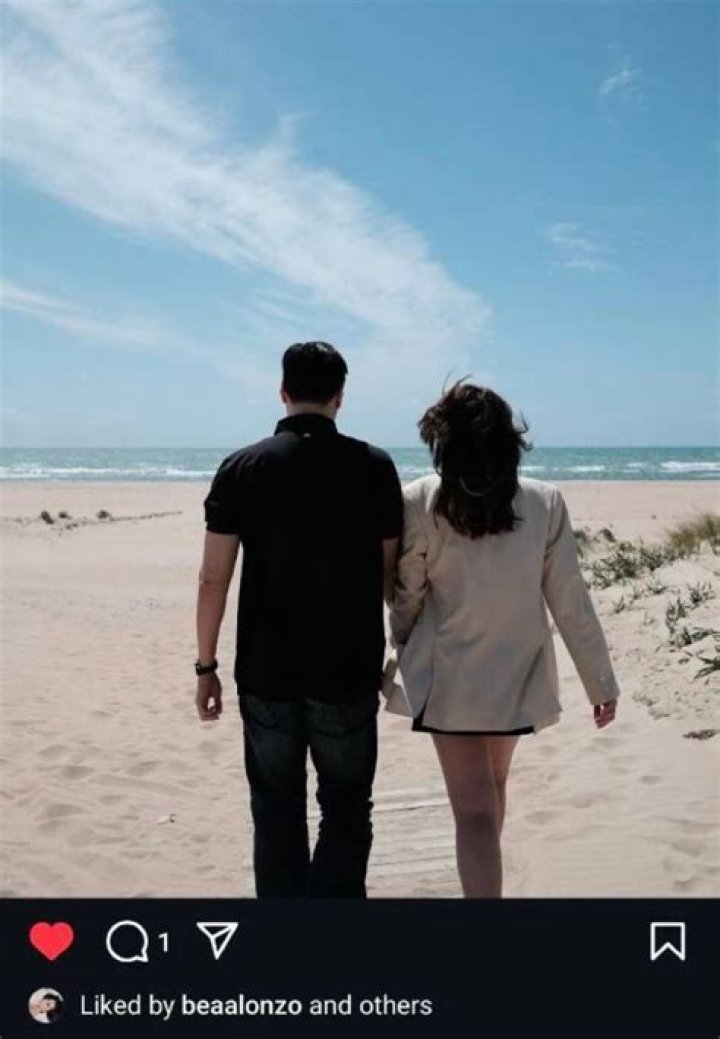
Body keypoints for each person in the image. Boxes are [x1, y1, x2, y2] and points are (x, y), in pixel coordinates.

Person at [385, 380, 620, 898]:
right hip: (515, 671)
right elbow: (570, 600)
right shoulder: (544, 501)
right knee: (490, 793)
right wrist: (600, 682)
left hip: (448, 676)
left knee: (472, 811)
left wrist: (402, 641)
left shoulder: (421, 499)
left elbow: (407, 591)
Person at [196, 341, 403, 897]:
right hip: (347, 667)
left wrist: (205, 666)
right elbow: (389, 574)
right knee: (347, 807)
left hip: (267, 670)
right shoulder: (374, 466)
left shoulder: (241, 467)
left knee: (275, 807)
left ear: (283, 391)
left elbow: (213, 578)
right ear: (341, 396)